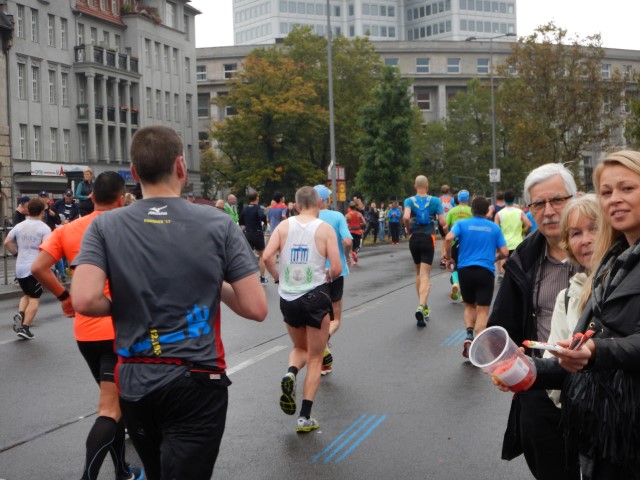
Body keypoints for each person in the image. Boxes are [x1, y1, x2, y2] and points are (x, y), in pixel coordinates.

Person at [71, 125, 267, 480]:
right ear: (181, 166)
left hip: (134, 378)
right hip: (197, 378)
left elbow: (84, 299)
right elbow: (255, 308)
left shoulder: (104, 227)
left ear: (133, 173)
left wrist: (126, 302)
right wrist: (212, 281)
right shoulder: (219, 223)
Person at [517, 152, 640, 479]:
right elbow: (576, 359)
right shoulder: (612, 266)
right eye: (606, 192)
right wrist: (524, 368)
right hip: (607, 433)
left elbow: (599, 351)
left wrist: (596, 352)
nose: (615, 199)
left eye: (627, 188)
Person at [31, 172, 143, 480]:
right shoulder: (130, 227)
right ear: (121, 199)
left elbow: (38, 267)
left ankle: (121, 470)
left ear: (91, 198)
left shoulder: (69, 230)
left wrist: (64, 297)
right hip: (120, 331)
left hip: (86, 332)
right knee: (110, 408)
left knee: (113, 404)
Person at [487, 163, 578, 480]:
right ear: (529, 210)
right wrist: (503, 367)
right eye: (539, 204)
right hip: (541, 388)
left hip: (600, 386)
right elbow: (500, 328)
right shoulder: (522, 259)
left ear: (575, 200)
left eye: (557, 200)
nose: (549, 211)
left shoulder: (608, 251)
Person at [263, 186, 341, 433]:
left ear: (295, 206)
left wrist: (278, 278)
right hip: (315, 295)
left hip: (288, 297)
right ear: (319, 202)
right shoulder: (325, 229)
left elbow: (266, 257)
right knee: (316, 357)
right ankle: (304, 416)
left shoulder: (283, 227)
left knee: (299, 348)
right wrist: (327, 274)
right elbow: (337, 268)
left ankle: (291, 373)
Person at [541, 194, 598, 408]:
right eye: (576, 233)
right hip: (585, 422)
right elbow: (553, 356)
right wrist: (526, 369)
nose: (586, 240)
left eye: (595, 228)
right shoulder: (565, 297)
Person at [444, 196, 508, 357]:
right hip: (485, 271)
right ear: (487, 211)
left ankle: (468, 335)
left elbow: (449, 237)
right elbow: (505, 252)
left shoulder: (462, 224)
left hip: (465, 270)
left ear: (472, 210)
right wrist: (495, 258)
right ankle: (477, 348)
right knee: (483, 311)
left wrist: (448, 257)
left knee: (469, 305)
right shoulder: (494, 228)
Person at [313, 184, 353, 376]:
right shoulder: (337, 217)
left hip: (313, 272)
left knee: (320, 315)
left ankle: (324, 360)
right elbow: (347, 241)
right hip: (336, 271)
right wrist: (347, 255)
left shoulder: (307, 219)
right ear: (326, 200)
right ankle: (323, 342)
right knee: (335, 318)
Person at [403, 175, 447, 327]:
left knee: (417, 273)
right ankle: (422, 305)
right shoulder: (435, 201)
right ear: (427, 185)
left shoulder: (409, 201)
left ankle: (423, 305)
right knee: (425, 274)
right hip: (428, 239)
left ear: (415, 185)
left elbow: (406, 216)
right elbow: (442, 221)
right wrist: (446, 232)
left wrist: (408, 229)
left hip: (414, 239)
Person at [4, 199, 51, 340]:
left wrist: (16, 253)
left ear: (28, 210)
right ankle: (25, 327)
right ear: (42, 212)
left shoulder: (19, 226)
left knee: (28, 294)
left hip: (20, 267)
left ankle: (20, 314)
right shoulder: (44, 228)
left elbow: (7, 242)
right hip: (35, 268)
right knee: (35, 299)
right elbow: (47, 249)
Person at [494, 190, 532, 280]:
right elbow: (529, 224)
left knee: (504, 262)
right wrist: (522, 231)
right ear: (514, 199)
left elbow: (496, 230)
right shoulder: (519, 212)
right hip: (517, 243)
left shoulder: (499, 214)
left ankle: (503, 276)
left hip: (504, 244)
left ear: (504, 200)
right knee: (517, 265)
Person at [445, 189, 473, 301]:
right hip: (468, 243)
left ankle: (455, 283)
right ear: (468, 199)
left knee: (456, 265)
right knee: (468, 267)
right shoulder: (471, 211)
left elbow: (445, 226)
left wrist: (447, 235)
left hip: (454, 242)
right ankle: (464, 293)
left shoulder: (452, 211)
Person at [239, 191, 268, 284]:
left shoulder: (245, 209)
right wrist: (265, 223)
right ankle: (262, 278)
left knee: (247, 257)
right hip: (258, 234)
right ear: (257, 198)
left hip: (248, 234)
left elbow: (241, 223)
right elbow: (262, 216)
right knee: (262, 256)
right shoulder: (258, 208)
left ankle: (247, 279)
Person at [438, 184, 456, 268]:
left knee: (443, 239)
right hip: (449, 221)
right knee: (449, 239)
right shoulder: (452, 200)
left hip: (441, 221)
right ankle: (448, 256)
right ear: (448, 191)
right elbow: (455, 208)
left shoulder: (439, 200)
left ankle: (443, 257)